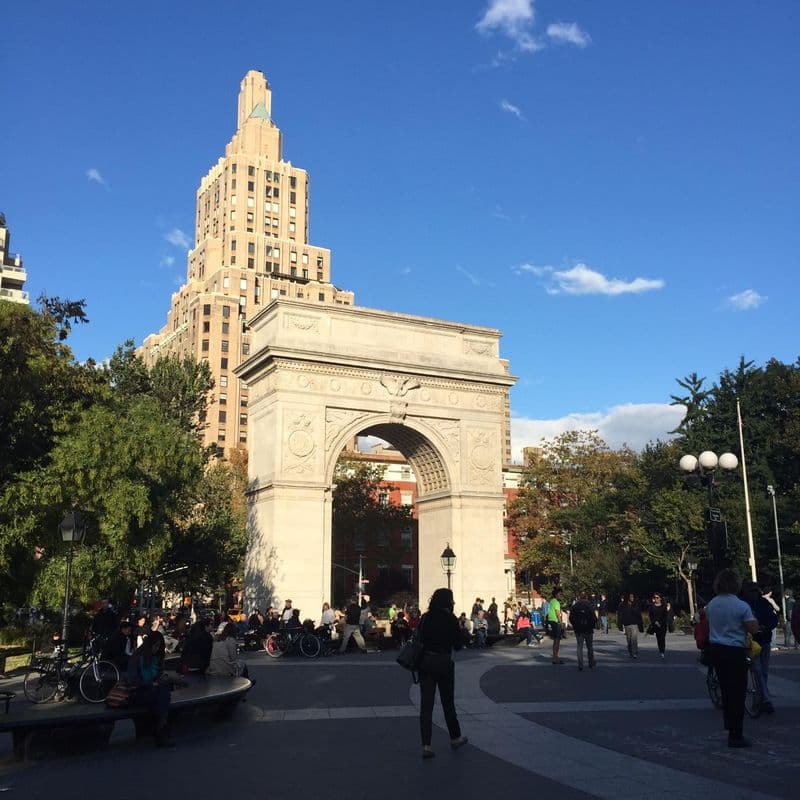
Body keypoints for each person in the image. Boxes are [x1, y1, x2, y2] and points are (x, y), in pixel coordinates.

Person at [705, 569, 759, 748]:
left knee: (726, 691)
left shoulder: (712, 604)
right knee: (738, 692)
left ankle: (729, 725)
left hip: (716, 650)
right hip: (735, 650)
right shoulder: (740, 605)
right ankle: (736, 734)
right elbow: (752, 628)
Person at [417, 587, 468, 759]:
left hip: (426, 663)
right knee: (448, 702)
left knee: (426, 705)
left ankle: (426, 744)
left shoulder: (426, 618)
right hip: (444, 662)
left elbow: (419, 639)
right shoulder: (450, 619)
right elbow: (458, 646)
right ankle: (455, 737)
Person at [128, 631, 173, 747]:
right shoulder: (137, 657)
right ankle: (162, 729)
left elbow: (158, 676)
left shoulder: (157, 659)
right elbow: (132, 680)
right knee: (161, 694)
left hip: (153, 690)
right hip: (138, 691)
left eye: (159, 647)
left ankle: (160, 728)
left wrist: (160, 679)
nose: (157, 649)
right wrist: (150, 683)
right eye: (155, 646)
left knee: (161, 692)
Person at [741, 581, 778, 714]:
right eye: (752, 591)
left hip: (764, 640)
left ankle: (760, 698)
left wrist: (766, 626)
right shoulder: (743, 605)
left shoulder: (763, 603)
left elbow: (773, 618)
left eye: (756, 590)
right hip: (751, 642)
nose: (755, 593)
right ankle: (766, 699)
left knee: (763, 672)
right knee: (758, 670)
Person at [569, 591, 596, 670]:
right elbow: (594, 618)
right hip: (588, 629)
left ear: (579, 597)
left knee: (579, 647)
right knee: (590, 646)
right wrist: (592, 625)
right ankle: (591, 663)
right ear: (586, 597)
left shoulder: (575, 606)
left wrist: (575, 625)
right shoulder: (589, 606)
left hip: (578, 629)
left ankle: (580, 664)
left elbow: (571, 618)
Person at [618, 593, 644, 659]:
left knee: (634, 639)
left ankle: (635, 653)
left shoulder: (636, 604)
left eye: (633, 597)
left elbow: (639, 615)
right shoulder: (623, 605)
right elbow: (620, 615)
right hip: (627, 624)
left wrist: (641, 625)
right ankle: (630, 653)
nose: (632, 598)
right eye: (631, 597)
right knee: (629, 640)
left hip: (634, 624)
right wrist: (620, 625)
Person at [648, 593, 669, 659]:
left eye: (657, 597)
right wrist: (655, 622)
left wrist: (661, 622)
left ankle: (662, 651)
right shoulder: (652, 606)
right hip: (656, 625)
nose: (656, 599)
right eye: (655, 597)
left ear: (660, 598)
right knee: (658, 638)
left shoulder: (664, 606)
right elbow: (651, 616)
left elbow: (665, 615)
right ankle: (661, 650)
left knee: (662, 638)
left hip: (663, 625)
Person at [547, 587, 564, 664]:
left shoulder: (551, 601)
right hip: (555, 622)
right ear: (556, 594)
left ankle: (555, 656)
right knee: (557, 641)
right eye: (560, 594)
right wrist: (561, 623)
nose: (561, 595)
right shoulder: (556, 602)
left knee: (555, 640)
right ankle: (555, 658)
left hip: (551, 621)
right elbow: (558, 613)